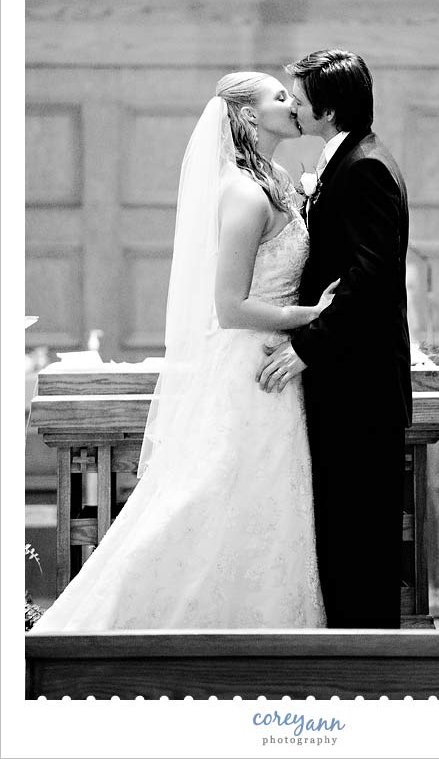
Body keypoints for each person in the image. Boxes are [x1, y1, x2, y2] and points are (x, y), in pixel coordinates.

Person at [32, 72, 336, 631]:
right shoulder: (243, 192)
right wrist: (310, 317)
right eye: (279, 96)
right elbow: (230, 307)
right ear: (246, 116)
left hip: (271, 369)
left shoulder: (278, 181)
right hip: (250, 371)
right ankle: (113, 628)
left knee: (258, 506)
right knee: (209, 497)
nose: (292, 103)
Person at [257, 50, 412, 629]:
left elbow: (368, 281)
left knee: (360, 545)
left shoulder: (365, 167)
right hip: (347, 384)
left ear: (327, 106)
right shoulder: (348, 159)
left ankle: (367, 680)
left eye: (298, 98)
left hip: (360, 387)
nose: (292, 106)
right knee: (344, 539)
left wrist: (304, 347)